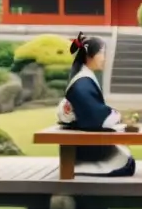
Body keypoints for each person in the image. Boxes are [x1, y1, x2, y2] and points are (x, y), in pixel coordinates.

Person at [56, 32, 136, 177]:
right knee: (126, 163)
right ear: (89, 56)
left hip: (83, 138)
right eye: (102, 53)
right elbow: (96, 117)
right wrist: (117, 115)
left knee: (127, 159)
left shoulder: (83, 78)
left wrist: (113, 113)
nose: (104, 58)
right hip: (85, 144)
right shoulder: (82, 83)